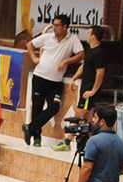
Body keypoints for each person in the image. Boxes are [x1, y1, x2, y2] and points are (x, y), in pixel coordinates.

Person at [23, 15, 82, 148]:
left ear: (65, 27)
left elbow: (81, 54)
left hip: (55, 82)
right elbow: (30, 44)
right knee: (37, 109)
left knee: (54, 107)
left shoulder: (72, 39)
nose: (54, 27)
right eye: (53, 24)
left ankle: (29, 128)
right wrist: (34, 58)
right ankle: (36, 137)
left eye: (57, 25)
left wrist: (66, 61)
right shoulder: (48, 37)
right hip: (40, 77)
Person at [55, 25, 109, 152]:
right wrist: (74, 78)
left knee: (78, 115)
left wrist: (93, 91)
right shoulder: (90, 51)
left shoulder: (100, 53)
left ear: (93, 36)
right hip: (85, 89)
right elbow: (84, 66)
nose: (87, 36)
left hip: (89, 91)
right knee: (89, 118)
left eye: (89, 34)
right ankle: (90, 143)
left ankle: (67, 142)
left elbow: (100, 74)